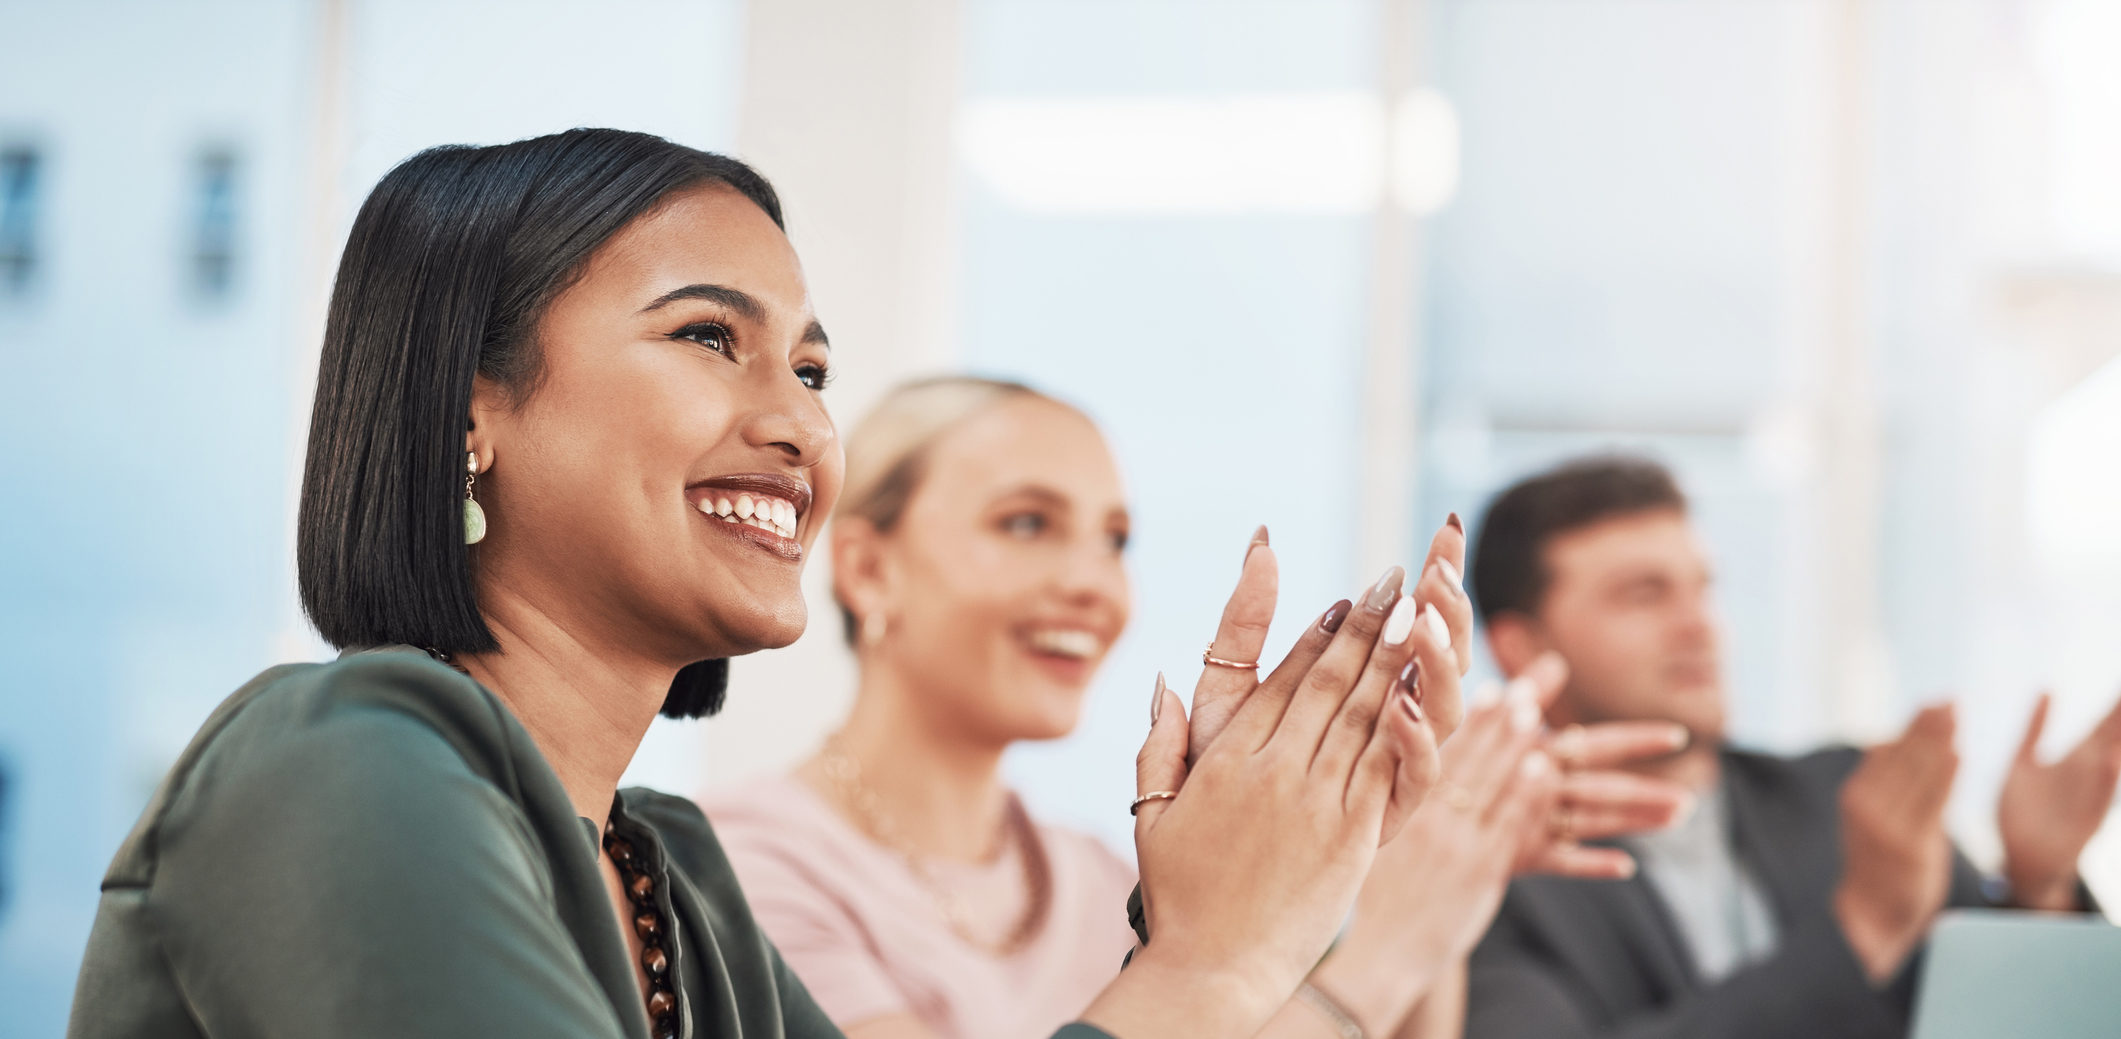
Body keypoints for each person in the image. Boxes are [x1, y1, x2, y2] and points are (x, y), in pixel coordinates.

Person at [63, 128, 1445, 1039]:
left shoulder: (677, 881)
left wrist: (1263, 902)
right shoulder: (337, 761)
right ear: (467, 408)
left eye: (813, 368)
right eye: (710, 337)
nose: (798, 426)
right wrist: (1209, 963)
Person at [708, 377, 1690, 1039]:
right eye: (1026, 523)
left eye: (1116, 540)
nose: (1093, 584)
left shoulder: (1100, 874)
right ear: (868, 565)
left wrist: (1412, 868)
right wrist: (1379, 948)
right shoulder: (744, 870)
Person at [1460, 455, 2121, 1039]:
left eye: (1702, 588)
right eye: (1644, 594)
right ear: (1523, 648)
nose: (1699, 626)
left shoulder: (1851, 798)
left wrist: (2040, 886)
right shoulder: (1485, 875)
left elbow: (2003, 1015)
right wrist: (1858, 929)